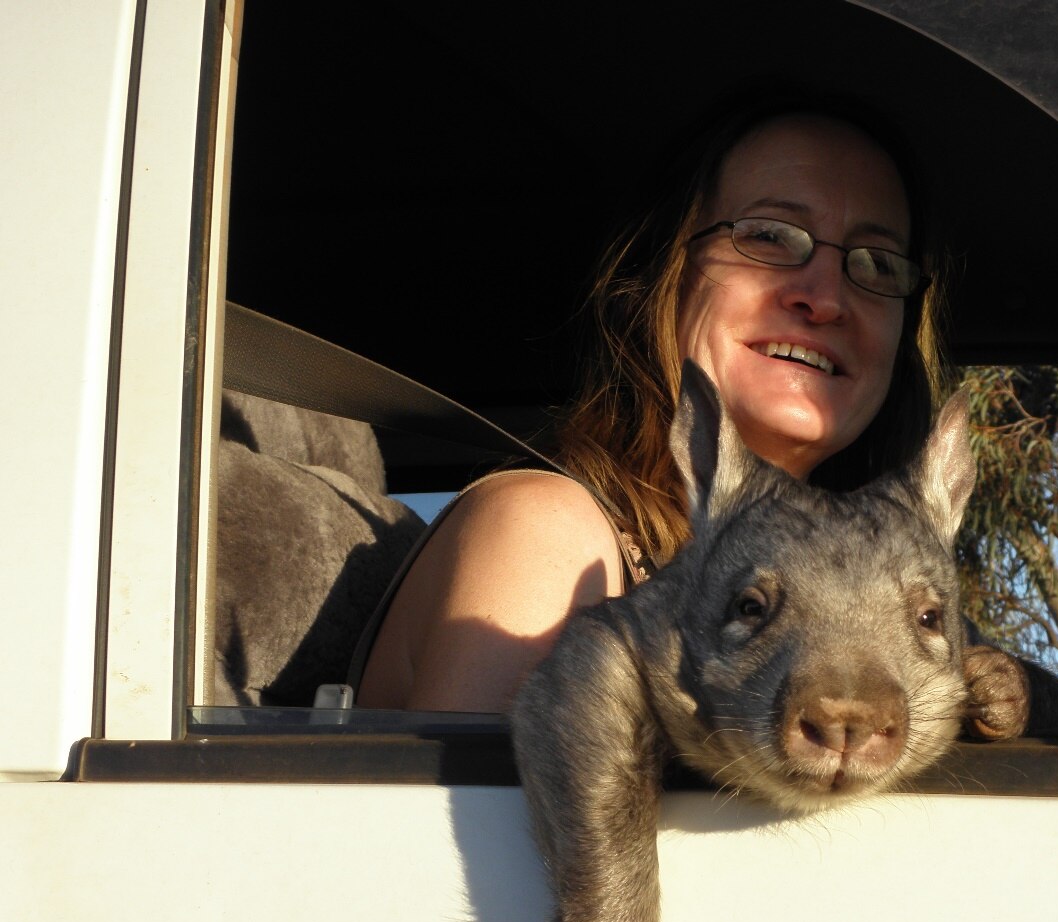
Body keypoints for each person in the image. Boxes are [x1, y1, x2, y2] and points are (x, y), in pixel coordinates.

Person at [355, 94, 946, 713]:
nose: (825, 297)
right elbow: (493, 812)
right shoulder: (548, 533)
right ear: (667, 274)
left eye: (878, 263)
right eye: (768, 235)